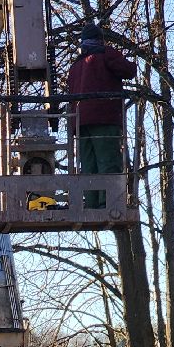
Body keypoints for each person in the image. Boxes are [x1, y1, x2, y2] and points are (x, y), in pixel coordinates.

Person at [65, 23, 135, 208]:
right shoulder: (105, 55)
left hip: (80, 122)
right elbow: (129, 71)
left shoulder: (75, 66)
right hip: (104, 117)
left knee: (88, 164)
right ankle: (109, 201)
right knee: (108, 160)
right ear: (100, 39)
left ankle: (92, 201)